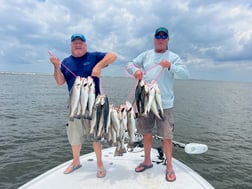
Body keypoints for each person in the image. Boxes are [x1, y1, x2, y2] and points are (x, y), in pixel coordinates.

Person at [125, 27, 189, 182]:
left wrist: (170, 66)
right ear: (154, 39)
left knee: (167, 136)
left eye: (164, 36)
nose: (161, 38)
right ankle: (147, 161)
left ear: (167, 40)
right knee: (146, 133)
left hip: (164, 104)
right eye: (158, 36)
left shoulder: (173, 57)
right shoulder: (146, 55)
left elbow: (185, 74)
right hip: (145, 101)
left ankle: (169, 167)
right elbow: (129, 65)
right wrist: (135, 71)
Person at [49, 33, 117, 178]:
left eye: (81, 42)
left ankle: (99, 164)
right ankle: (76, 162)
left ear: (85, 45)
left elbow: (113, 56)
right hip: (74, 104)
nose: (78, 44)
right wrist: (56, 66)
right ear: (71, 45)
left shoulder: (93, 56)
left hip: (95, 104)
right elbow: (60, 82)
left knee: (96, 135)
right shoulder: (66, 62)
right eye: (75, 42)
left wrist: (98, 66)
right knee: (74, 135)